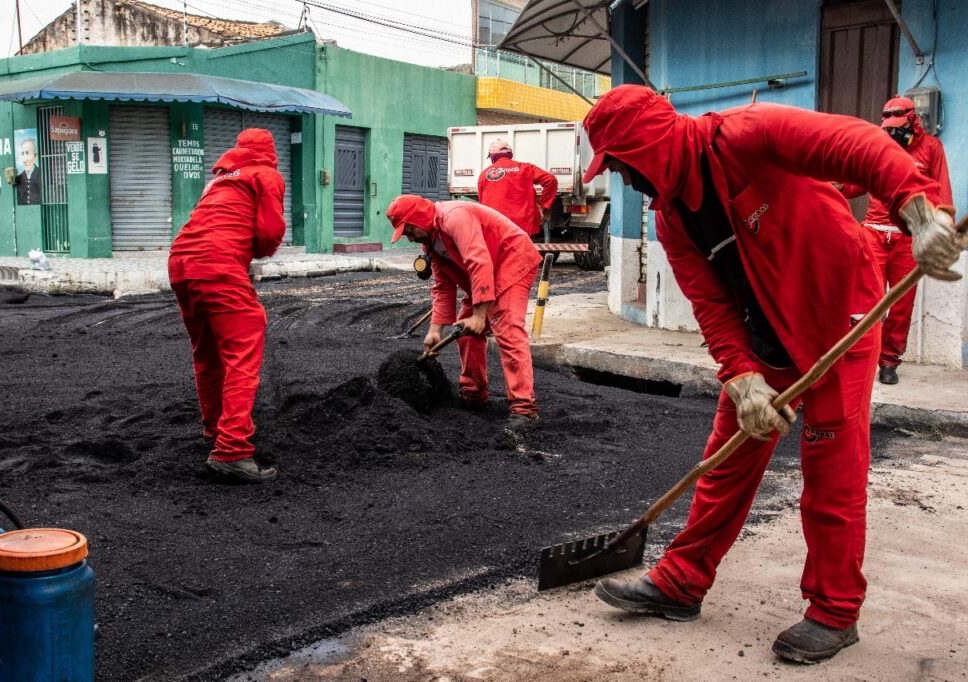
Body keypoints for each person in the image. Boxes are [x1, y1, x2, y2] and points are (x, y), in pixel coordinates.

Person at [580, 86, 961, 663]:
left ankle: (834, 613)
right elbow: (711, 305)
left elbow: (857, 144)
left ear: (648, 146)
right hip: (767, 334)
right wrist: (741, 377)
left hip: (840, 316)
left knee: (831, 471)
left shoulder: (746, 134)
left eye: (621, 166)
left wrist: (918, 208)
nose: (624, 182)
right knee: (727, 457)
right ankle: (681, 582)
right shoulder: (673, 217)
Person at [168, 128, 286, 483]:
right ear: (271, 152)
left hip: (180, 263)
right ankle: (232, 450)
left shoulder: (217, 181)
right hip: (218, 265)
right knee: (242, 351)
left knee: (206, 353)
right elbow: (268, 234)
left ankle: (213, 429)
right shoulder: (266, 175)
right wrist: (254, 252)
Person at [387, 194, 541, 424]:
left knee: (507, 327)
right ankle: (474, 394)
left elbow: (478, 261)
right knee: (466, 334)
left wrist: (480, 315)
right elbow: (443, 288)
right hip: (485, 274)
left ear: (418, 219)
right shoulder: (430, 242)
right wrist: (434, 331)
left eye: (408, 231)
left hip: (511, 259)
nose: (408, 238)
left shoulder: (454, 217)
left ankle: (524, 409)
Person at [837, 96, 953, 385]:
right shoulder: (881, 146)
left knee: (900, 303)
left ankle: (889, 361)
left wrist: (942, 229)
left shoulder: (931, 149)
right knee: (865, 299)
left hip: (908, 238)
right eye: (889, 126)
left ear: (914, 120)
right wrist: (835, 185)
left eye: (898, 126)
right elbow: (857, 182)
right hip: (873, 233)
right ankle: (862, 354)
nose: (893, 132)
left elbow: (942, 192)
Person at [477, 138, 558, 238]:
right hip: (522, 225)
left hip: (494, 224)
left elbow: (482, 203)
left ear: (493, 156)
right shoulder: (526, 168)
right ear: (510, 154)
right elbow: (551, 180)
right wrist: (544, 205)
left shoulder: (484, 174)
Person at [16, 138, 42, 206]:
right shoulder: (18, 178)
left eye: (27, 153)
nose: (25, 159)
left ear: (35, 156)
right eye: (22, 153)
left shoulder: (42, 175)